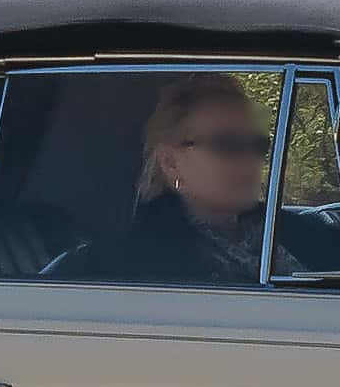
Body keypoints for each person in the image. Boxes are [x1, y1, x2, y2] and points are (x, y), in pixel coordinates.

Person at [65, 72, 270, 285]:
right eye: (227, 144)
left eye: (258, 144)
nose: (251, 159)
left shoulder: (291, 231)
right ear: (170, 163)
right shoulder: (136, 266)